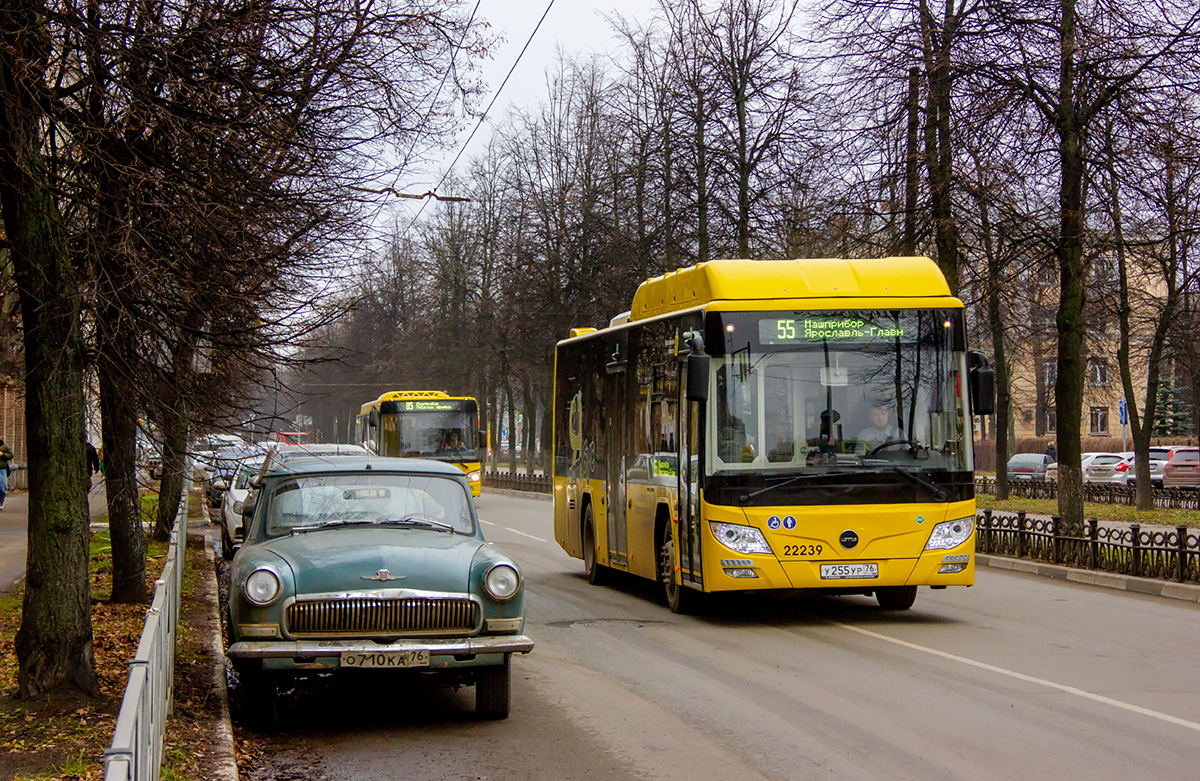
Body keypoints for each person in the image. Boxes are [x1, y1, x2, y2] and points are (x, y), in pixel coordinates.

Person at [0, 438, 12, 509]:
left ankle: (1, 500)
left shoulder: (4, 446)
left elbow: (11, 455)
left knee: (2, 486)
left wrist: (3, 454)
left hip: (2, 469)